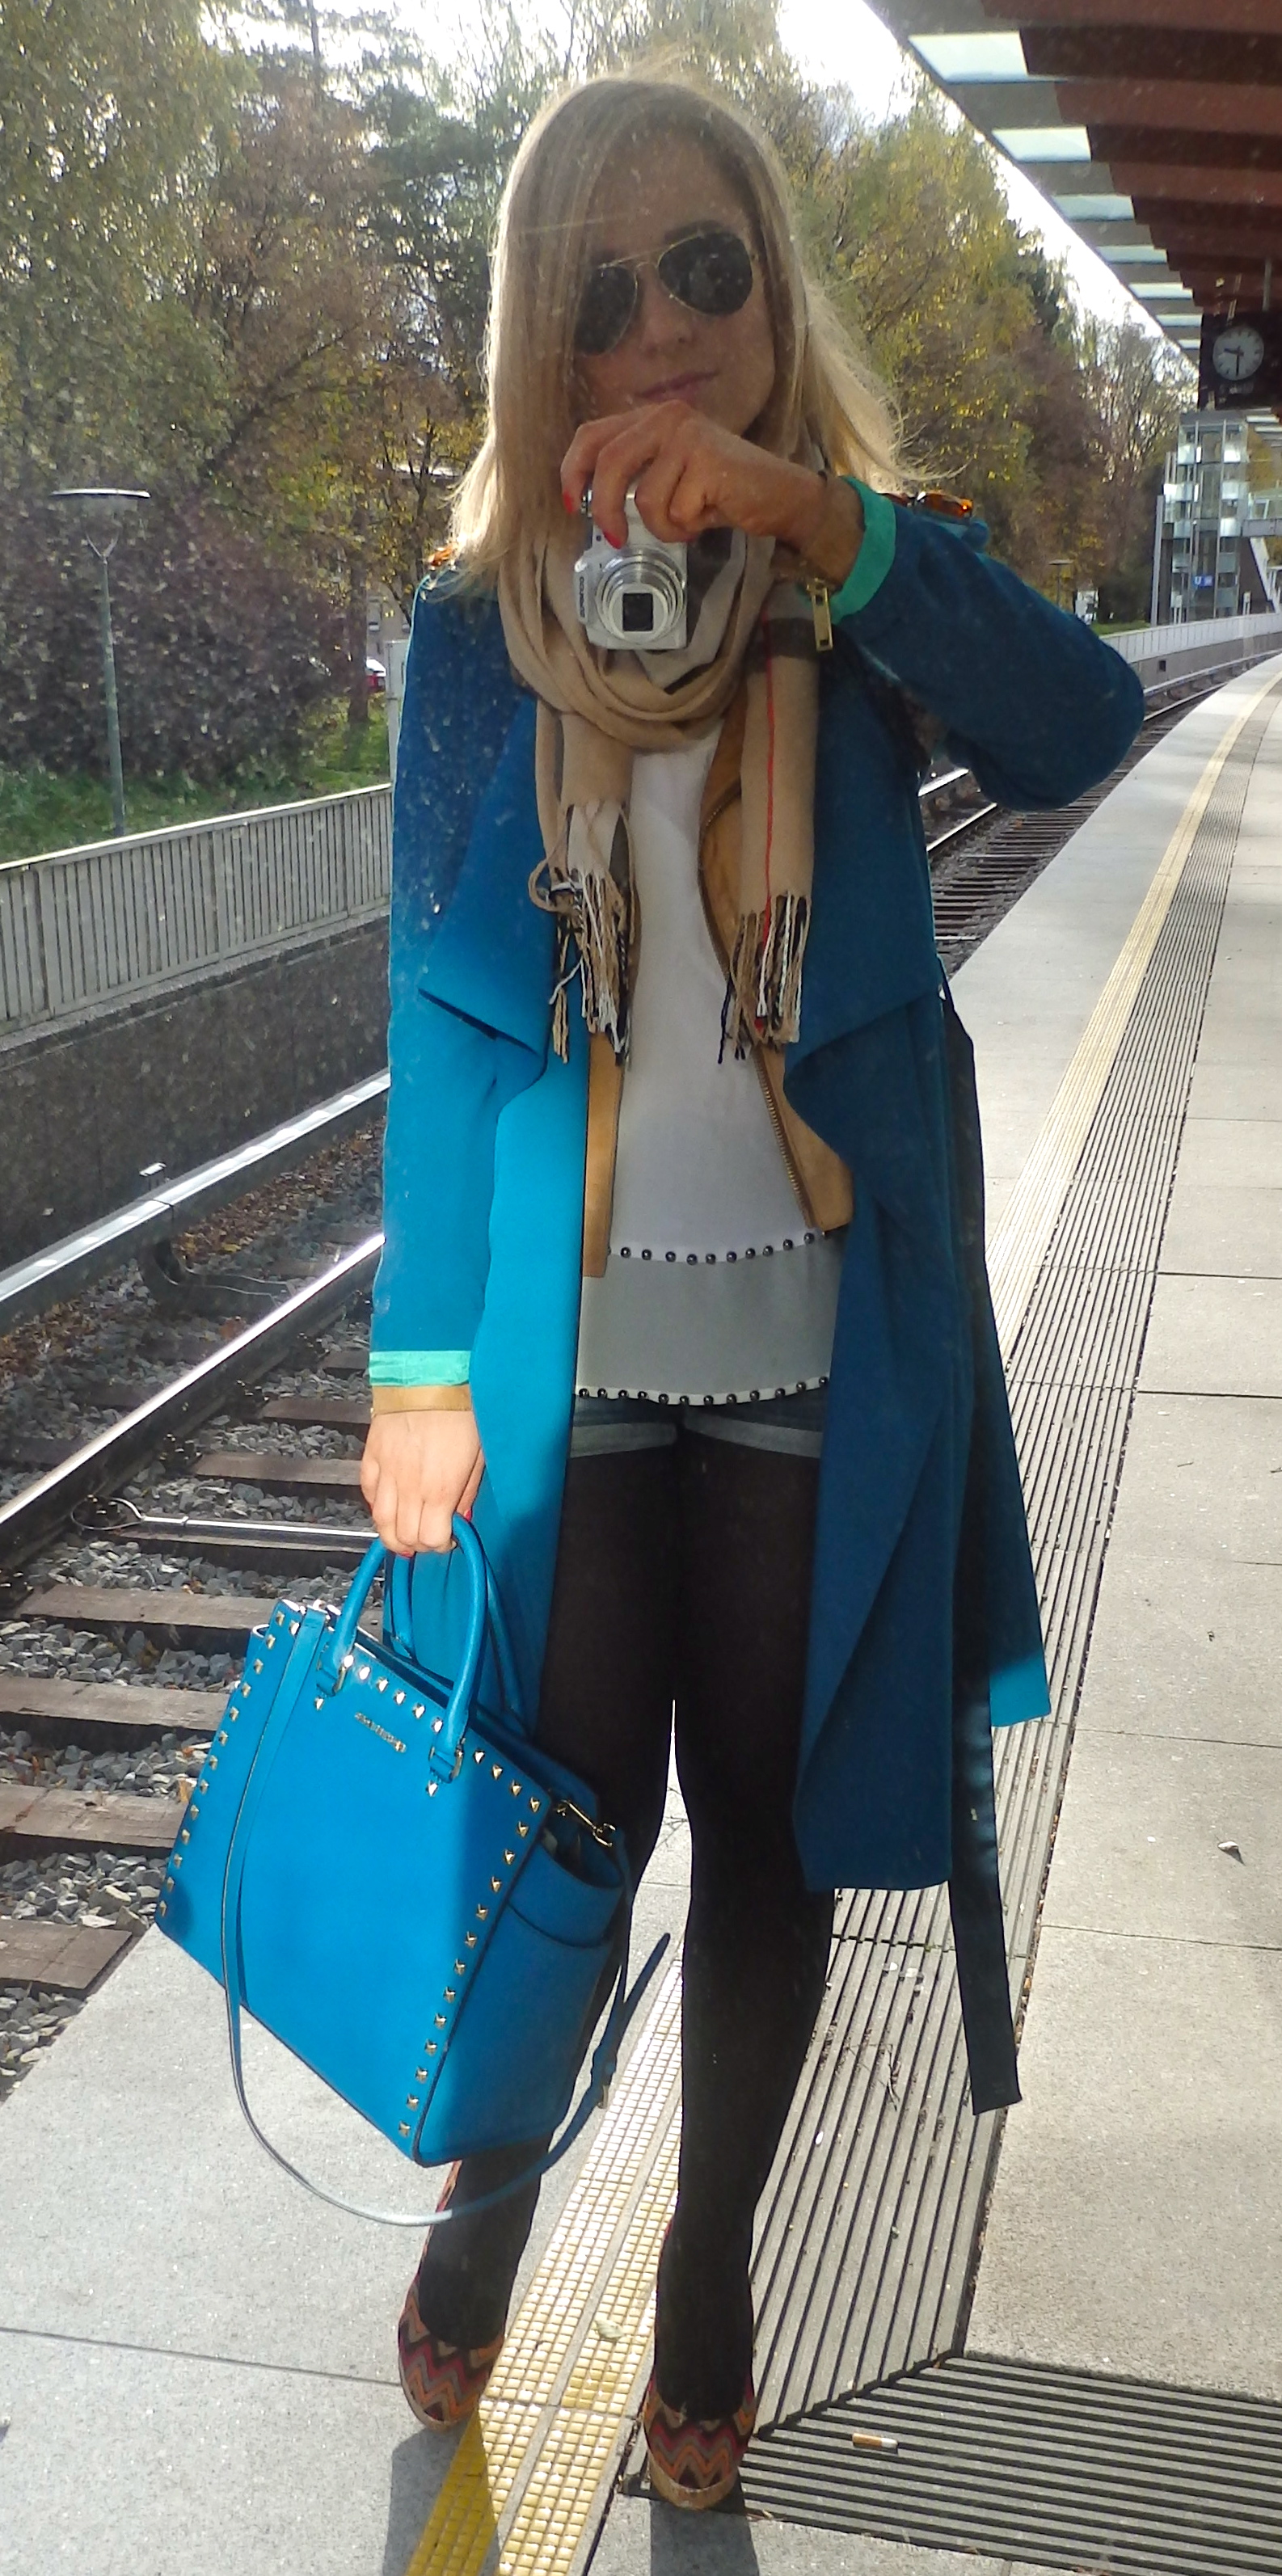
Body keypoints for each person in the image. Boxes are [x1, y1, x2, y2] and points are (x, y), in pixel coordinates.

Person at [360, 68, 1143, 2510]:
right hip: (573, 1353)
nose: (659, 330)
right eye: (600, 294)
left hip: (813, 1336)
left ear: (772, 289)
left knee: (774, 1842)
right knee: (568, 1837)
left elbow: (1082, 722)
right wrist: (412, 1366)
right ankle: (494, 2212)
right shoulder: (476, 640)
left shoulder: (866, 588)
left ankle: (704, 2274)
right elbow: (434, 1011)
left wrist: (826, 525)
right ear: (543, 341)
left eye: (703, 267)